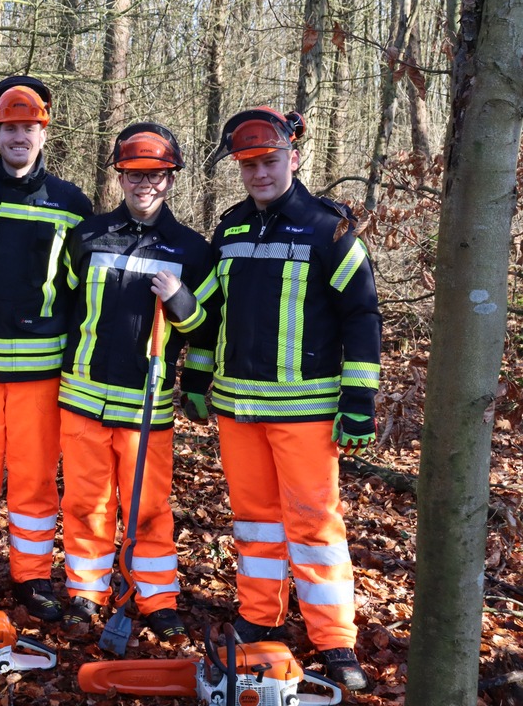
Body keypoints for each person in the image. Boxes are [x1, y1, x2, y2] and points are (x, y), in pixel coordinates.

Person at [206, 107, 379, 690]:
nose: (259, 173)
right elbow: (212, 314)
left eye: (269, 161)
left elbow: (362, 315)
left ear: (293, 157)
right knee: (256, 523)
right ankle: (259, 616)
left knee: (314, 525)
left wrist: (358, 401)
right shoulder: (228, 229)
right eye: (248, 164)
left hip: (305, 412)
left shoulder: (328, 228)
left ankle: (335, 641)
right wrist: (197, 377)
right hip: (238, 409)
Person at [58, 123, 216, 645]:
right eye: (133, 174)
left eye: (154, 175)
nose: (143, 184)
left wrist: (179, 300)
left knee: (148, 508)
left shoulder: (193, 251)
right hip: (81, 395)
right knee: (86, 502)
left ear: (170, 179)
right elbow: (64, 305)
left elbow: (208, 328)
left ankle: (156, 596)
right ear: (120, 176)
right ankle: (87, 590)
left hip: (145, 405)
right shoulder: (87, 236)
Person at [0, 76, 92, 622]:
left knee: (32, 479)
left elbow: (81, 287)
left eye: (28, 127)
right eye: (9, 127)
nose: (19, 136)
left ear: (44, 132)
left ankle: (31, 576)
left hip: (40, 370)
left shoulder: (72, 203)